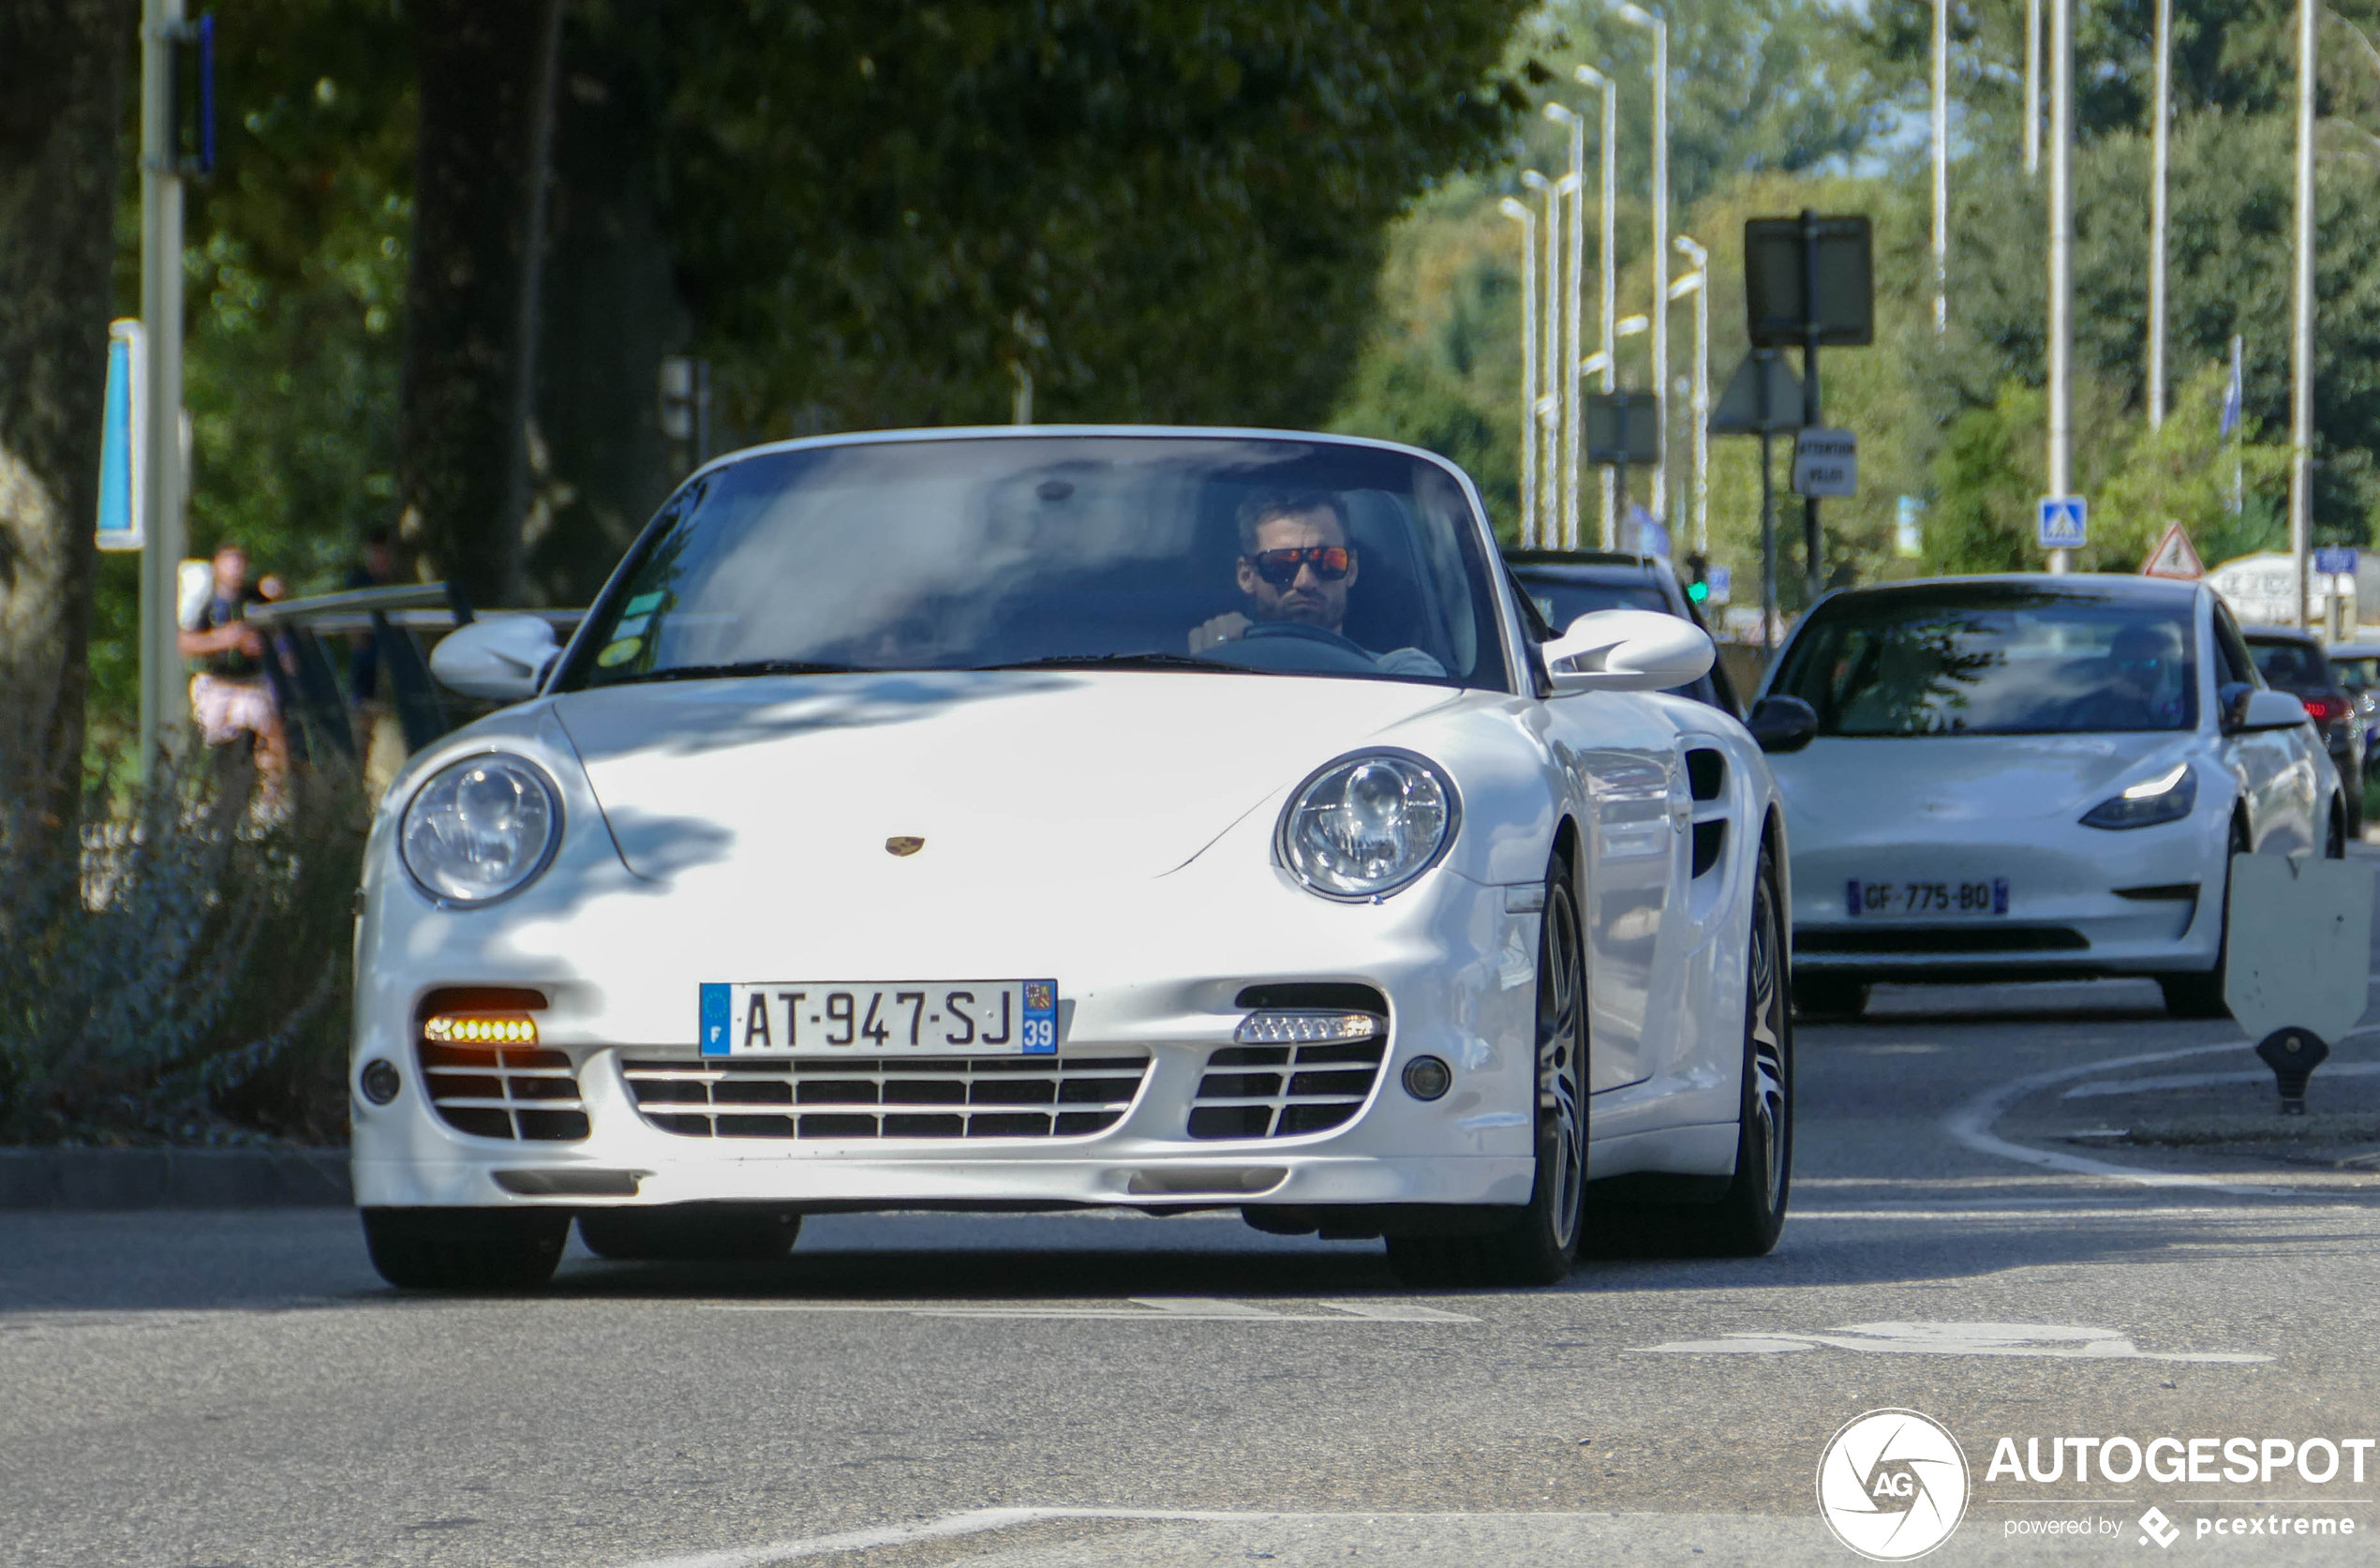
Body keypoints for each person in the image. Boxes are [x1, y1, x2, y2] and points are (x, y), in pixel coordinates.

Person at [1188, 491, 1445, 677]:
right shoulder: (1210, 655)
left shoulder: (1400, 671)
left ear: (1351, 569)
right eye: (1281, 563)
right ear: (1247, 576)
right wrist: (1214, 661)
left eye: (1328, 561)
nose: (1306, 582)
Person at [179, 543, 289, 782]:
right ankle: (218, 789)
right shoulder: (206, 602)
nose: (236, 569)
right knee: (214, 739)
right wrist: (223, 640)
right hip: (217, 683)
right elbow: (186, 643)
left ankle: (272, 793)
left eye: (240, 563)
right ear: (217, 566)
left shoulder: (255, 599)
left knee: (269, 728)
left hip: (252, 682)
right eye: (229, 562)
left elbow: (277, 627)